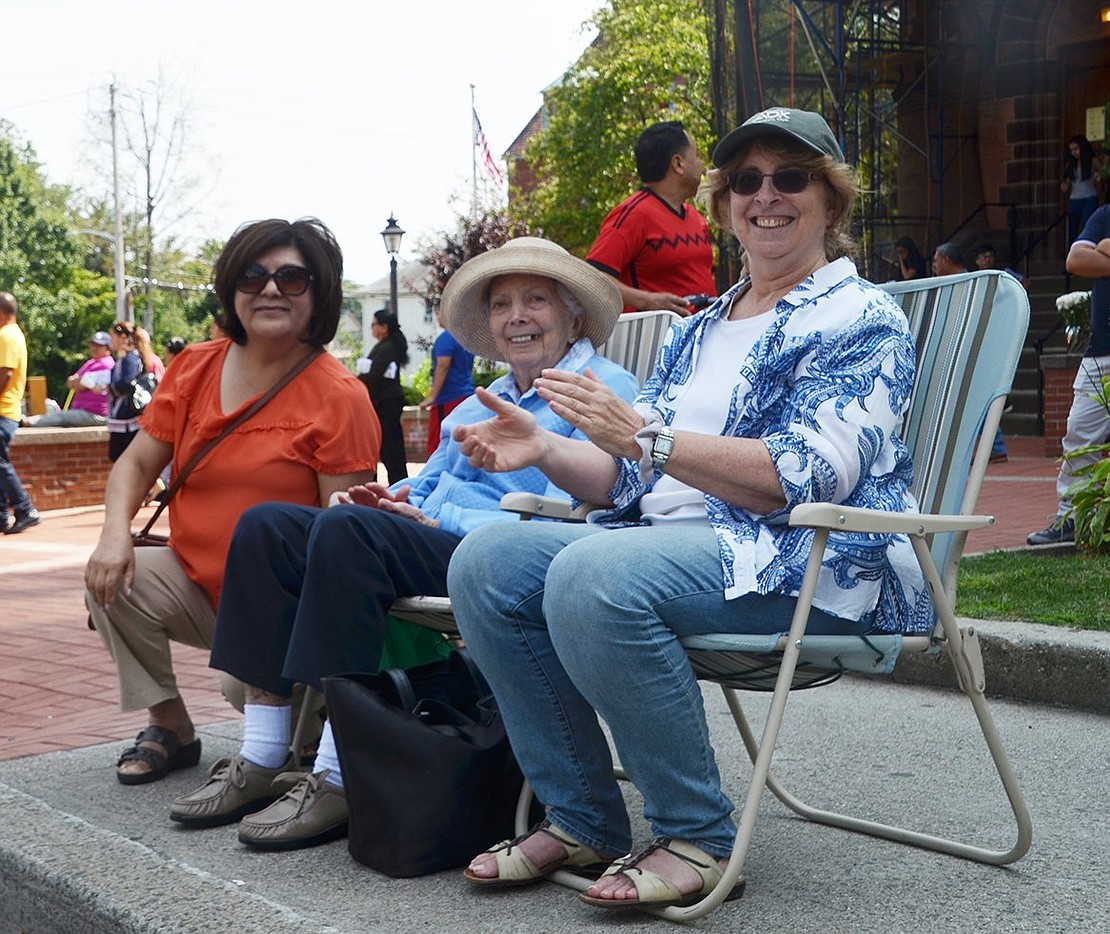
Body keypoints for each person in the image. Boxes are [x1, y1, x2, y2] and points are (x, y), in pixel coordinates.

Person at [447, 107, 930, 911]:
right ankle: (580, 817)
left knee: (592, 573)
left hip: (810, 558)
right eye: (745, 180)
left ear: (833, 200)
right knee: (486, 561)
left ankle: (697, 837)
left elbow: (806, 477)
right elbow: (630, 483)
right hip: (677, 547)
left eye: (791, 177)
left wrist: (649, 437)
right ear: (724, 202)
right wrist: (546, 447)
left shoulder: (860, 318)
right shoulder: (699, 327)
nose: (765, 195)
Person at [169, 237, 639, 852]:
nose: (516, 316)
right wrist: (397, 500)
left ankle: (337, 775)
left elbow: (603, 501)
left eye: (536, 300)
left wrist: (429, 510)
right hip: (447, 543)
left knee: (346, 534)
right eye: (501, 305)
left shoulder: (600, 386)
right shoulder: (479, 401)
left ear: (574, 312)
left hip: (515, 557)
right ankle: (260, 753)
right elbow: (433, 484)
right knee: (268, 527)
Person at [85, 217, 380, 785]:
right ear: (231, 288)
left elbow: (341, 544)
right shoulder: (195, 366)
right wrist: (114, 534)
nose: (270, 289)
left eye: (293, 279)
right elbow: (138, 463)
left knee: (244, 691)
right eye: (253, 275)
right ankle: (170, 724)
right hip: (195, 581)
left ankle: (315, 726)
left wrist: (279, 645)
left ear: (318, 294)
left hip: (280, 605)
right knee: (111, 577)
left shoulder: (339, 397)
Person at [1028, 203, 1110, 545]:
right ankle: (1072, 519)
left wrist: (1104, 250)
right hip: (1101, 351)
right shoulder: (1105, 214)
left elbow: (1094, 257)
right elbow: (1076, 261)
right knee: (1079, 435)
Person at [586, 120, 715, 315]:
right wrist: (648, 301)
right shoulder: (634, 214)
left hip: (702, 337)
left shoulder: (696, 218)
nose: (701, 165)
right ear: (678, 164)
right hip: (656, 341)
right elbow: (592, 279)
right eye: (696, 156)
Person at [0, 292, 41, 534]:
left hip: (3, 409)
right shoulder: (14, 334)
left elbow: (4, 374)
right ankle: (2, 515)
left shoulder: (6, 335)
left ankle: (25, 509)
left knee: (0, 463)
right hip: (9, 408)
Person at [358, 309, 409, 484]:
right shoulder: (384, 346)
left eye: (374, 324)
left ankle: (398, 482)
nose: (371, 328)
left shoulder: (387, 348)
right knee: (386, 445)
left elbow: (374, 374)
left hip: (386, 402)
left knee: (390, 446)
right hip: (383, 401)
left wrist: (355, 380)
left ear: (384, 327)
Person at [419, 306, 475, 457]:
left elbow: (443, 365)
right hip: (466, 395)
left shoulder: (445, 338)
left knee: (440, 447)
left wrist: (432, 396)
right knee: (461, 445)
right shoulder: (464, 339)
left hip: (448, 397)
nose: (438, 317)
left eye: (440, 313)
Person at [28, 331, 115, 428]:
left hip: (95, 414)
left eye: (99, 345)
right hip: (83, 411)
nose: (94, 348)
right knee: (59, 413)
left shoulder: (107, 364)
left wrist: (80, 382)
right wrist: (80, 383)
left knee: (61, 417)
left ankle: (27, 422)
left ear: (108, 348)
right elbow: (70, 382)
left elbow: (82, 382)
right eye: (93, 344)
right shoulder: (90, 362)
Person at [105, 321, 145, 462]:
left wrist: (110, 387)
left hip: (126, 417)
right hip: (120, 417)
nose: (111, 340)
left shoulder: (131, 358)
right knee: (117, 457)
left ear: (122, 337)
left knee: (122, 458)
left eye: (113, 336)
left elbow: (127, 383)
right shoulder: (124, 358)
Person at [1063, 135, 1098, 249]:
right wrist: (1065, 185)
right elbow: (1068, 180)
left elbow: (1101, 172)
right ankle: (1073, 249)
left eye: (1076, 149)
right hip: (1075, 199)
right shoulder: (1071, 164)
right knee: (1072, 227)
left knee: (1087, 225)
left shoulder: (1092, 161)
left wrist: (1098, 176)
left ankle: (1087, 249)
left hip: (1089, 197)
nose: (1074, 153)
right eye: (1072, 150)